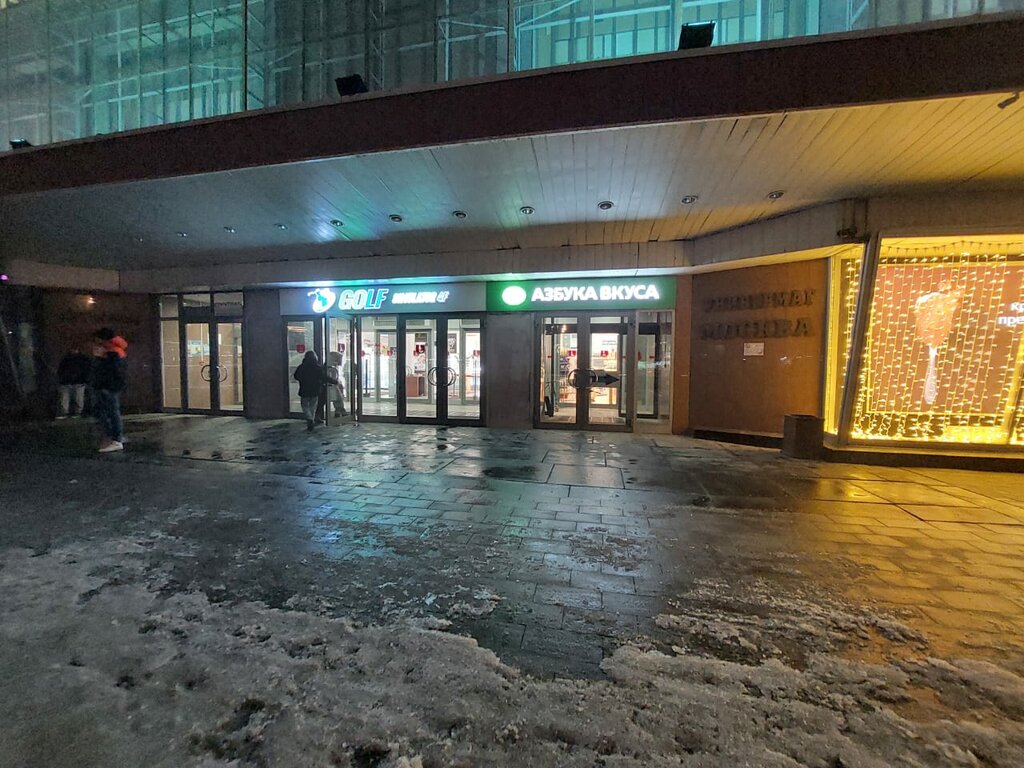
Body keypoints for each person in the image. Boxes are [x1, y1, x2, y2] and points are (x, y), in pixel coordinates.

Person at [91, 327, 128, 453]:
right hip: (110, 387)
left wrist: (99, 358)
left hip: (108, 387)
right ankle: (116, 437)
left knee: (110, 413)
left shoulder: (112, 353)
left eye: (98, 340)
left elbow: (109, 371)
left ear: (104, 339)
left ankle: (115, 439)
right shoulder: (116, 351)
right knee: (110, 412)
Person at [293, 350, 324, 431]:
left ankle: (309, 418)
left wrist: (303, 380)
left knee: (305, 406)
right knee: (313, 407)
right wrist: (334, 381)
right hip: (315, 390)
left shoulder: (301, 367)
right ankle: (311, 419)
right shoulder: (317, 367)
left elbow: (296, 376)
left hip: (304, 389)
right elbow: (323, 377)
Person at [56, 347, 91, 419]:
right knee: (77, 398)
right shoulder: (83, 359)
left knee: (69, 399)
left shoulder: (66, 359)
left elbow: (60, 370)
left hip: (71, 382)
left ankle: (67, 413)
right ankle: (76, 413)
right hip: (76, 382)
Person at [326, 350, 346, 418]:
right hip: (333, 387)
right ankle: (341, 411)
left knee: (338, 400)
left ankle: (338, 412)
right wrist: (337, 383)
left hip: (333, 386)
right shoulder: (331, 369)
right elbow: (333, 379)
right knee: (338, 399)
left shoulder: (331, 368)